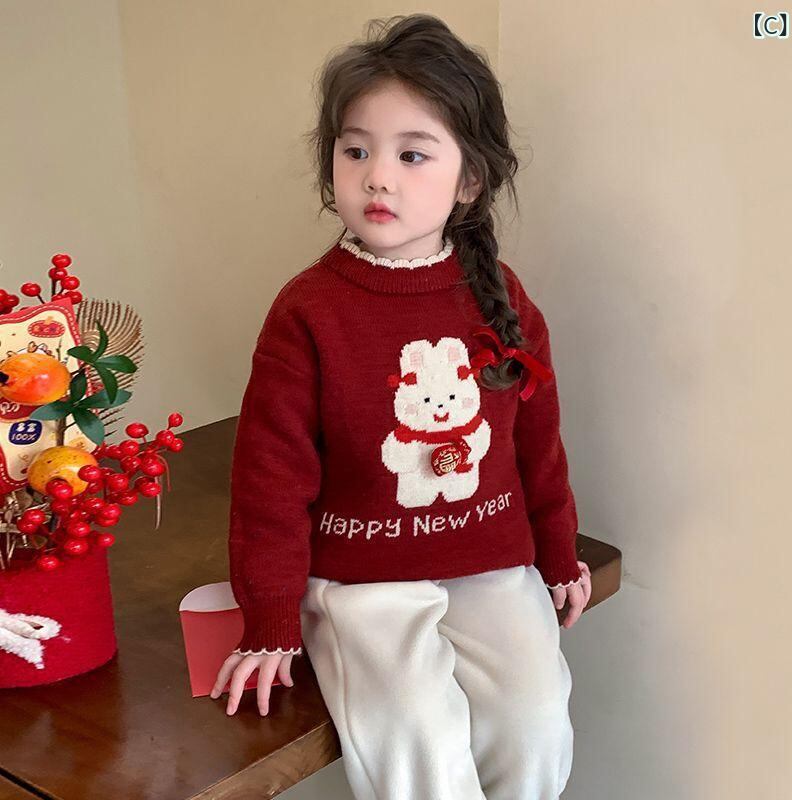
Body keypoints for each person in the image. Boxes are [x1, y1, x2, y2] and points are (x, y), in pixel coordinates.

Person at [211, 13, 592, 799]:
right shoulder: (307, 311)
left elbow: (538, 444)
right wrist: (271, 619)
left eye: (412, 154)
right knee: (418, 738)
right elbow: (270, 483)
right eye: (355, 151)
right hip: (362, 584)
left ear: (469, 180)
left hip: (492, 566)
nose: (378, 177)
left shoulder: (502, 296)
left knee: (535, 722)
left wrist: (558, 555)